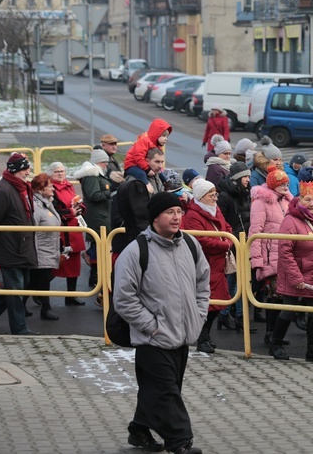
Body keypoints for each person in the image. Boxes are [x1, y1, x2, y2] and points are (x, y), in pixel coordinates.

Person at [114, 192, 210, 454]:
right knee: (166, 392)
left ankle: (140, 430)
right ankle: (179, 441)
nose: (177, 217)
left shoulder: (190, 245)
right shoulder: (136, 251)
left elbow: (203, 283)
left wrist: (199, 315)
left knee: (158, 389)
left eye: (179, 211)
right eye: (170, 212)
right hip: (152, 339)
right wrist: (151, 325)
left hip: (182, 336)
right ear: (155, 217)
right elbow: (123, 299)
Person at [269, 179, 313, 363]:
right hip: (295, 274)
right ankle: (276, 344)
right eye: (307, 200)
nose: (312, 204)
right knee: (289, 310)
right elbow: (285, 252)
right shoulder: (290, 221)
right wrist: (297, 277)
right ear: (299, 199)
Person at [181, 179, 233, 354]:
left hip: (218, 263)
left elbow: (226, 227)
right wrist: (225, 244)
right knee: (208, 303)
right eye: (211, 195)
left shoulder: (215, 209)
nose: (215, 198)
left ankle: (204, 335)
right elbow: (201, 240)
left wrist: (227, 238)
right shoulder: (193, 215)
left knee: (218, 302)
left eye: (215, 194)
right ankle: (201, 336)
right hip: (205, 263)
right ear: (201, 197)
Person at [0, 153, 39, 335]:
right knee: (15, 290)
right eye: (25, 168)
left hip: (22, 246)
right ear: (17, 170)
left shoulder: (20, 187)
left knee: (18, 287)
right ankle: (19, 328)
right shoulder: (4, 190)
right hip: (10, 249)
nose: (28, 172)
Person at [250, 166, 293, 345]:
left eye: (287, 183)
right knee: (274, 296)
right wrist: (257, 261)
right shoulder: (261, 202)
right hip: (270, 257)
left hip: (285, 256)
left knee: (283, 297)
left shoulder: (286, 201)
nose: (286, 186)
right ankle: (270, 334)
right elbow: (255, 231)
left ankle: (276, 333)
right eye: (282, 183)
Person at [112, 148, 166, 259]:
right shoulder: (135, 182)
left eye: (162, 162)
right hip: (135, 236)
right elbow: (138, 211)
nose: (160, 165)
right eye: (157, 162)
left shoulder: (156, 178)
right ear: (146, 161)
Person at [217, 162, 252, 331]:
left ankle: (238, 317)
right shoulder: (225, 196)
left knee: (243, 282)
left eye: (248, 176)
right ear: (237, 178)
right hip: (233, 242)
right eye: (245, 176)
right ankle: (225, 315)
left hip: (244, 242)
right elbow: (221, 220)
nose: (248, 179)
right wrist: (229, 240)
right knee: (233, 282)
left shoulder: (245, 193)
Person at [74, 149, 112, 304]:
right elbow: (94, 195)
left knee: (100, 246)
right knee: (99, 246)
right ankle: (96, 277)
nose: (106, 165)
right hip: (97, 217)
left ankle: (97, 277)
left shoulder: (95, 174)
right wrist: (111, 191)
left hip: (100, 215)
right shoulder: (91, 175)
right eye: (104, 162)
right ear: (98, 162)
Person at [49, 161, 88, 306]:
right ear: (51, 174)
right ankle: (37, 292)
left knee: (74, 264)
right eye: (56, 171)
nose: (60, 173)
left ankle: (71, 295)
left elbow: (75, 201)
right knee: (55, 265)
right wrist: (70, 212)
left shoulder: (69, 185)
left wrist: (80, 207)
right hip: (63, 232)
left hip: (73, 229)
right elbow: (55, 211)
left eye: (62, 171)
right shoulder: (50, 189)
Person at [29, 173, 62, 321]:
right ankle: (46, 309)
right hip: (40, 250)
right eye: (50, 186)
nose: (53, 189)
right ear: (41, 189)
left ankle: (22, 306)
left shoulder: (47, 203)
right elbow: (32, 231)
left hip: (48, 248)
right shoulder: (36, 206)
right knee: (40, 281)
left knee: (35, 282)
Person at [123, 118, 172, 192]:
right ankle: (146, 186)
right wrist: (147, 169)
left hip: (142, 164)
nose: (166, 139)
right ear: (157, 134)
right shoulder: (144, 142)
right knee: (141, 174)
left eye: (167, 137)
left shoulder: (156, 146)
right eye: (163, 136)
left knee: (159, 173)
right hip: (132, 164)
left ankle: (166, 182)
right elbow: (138, 156)